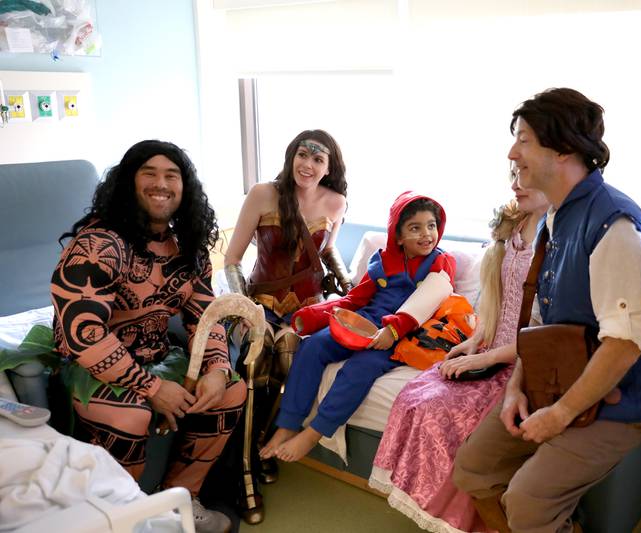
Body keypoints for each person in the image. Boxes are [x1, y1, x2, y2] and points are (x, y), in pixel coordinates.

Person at [452, 88, 641, 533]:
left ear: (564, 150)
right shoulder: (554, 218)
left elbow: (624, 346)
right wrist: (518, 389)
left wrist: (559, 415)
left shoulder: (614, 226)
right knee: (473, 469)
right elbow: (541, 326)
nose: (512, 152)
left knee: (527, 502)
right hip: (559, 378)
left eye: (524, 140)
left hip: (624, 396)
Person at [51, 140, 246, 533]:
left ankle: (181, 500)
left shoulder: (185, 245)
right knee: (131, 414)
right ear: (129, 183)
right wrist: (151, 388)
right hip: (93, 366)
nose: (162, 184)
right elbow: (84, 334)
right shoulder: (98, 243)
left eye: (172, 175)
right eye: (150, 173)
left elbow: (203, 315)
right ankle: (127, 517)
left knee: (231, 392)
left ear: (184, 187)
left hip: (155, 356)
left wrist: (218, 368)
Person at [370, 175, 549, 533]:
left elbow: (544, 333)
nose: (517, 181)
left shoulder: (558, 234)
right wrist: (475, 340)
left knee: (446, 415)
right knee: (417, 397)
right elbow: (496, 298)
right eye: (513, 173)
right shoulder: (516, 223)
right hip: (490, 347)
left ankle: (469, 520)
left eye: (526, 173)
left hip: (522, 360)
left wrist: (486, 358)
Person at [260, 192, 457, 463]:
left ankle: (315, 432)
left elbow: (429, 299)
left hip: (403, 335)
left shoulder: (441, 261)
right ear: (397, 236)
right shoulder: (383, 260)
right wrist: (316, 316)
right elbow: (355, 299)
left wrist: (393, 330)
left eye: (431, 226)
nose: (426, 234)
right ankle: (288, 425)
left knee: (361, 367)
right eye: (415, 228)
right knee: (313, 345)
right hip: (364, 322)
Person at [223, 129, 350, 522]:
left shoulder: (336, 201)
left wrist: (350, 288)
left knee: (292, 362)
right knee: (254, 367)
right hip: (260, 303)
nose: (307, 164)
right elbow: (232, 260)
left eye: (318, 158)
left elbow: (327, 251)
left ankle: (261, 448)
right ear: (291, 155)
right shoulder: (264, 193)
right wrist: (246, 309)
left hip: (309, 311)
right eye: (302, 153)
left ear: (329, 167)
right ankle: (242, 472)